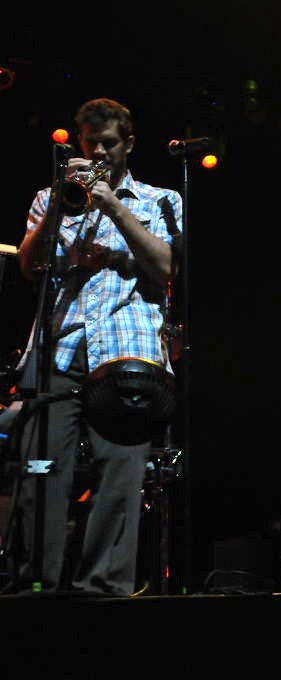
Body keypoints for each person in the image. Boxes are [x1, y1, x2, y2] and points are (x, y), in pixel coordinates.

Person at [10, 98, 180, 595]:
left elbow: (166, 268)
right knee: (41, 470)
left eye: (109, 144)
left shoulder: (160, 200)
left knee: (119, 480)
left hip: (127, 355)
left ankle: (103, 591)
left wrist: (113, 206)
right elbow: (28, 267)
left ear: (129, 144)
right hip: (58, 350)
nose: (100, 153)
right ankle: (34, 587)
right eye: (91, 145)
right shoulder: (49, 197)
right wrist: (61, 201)